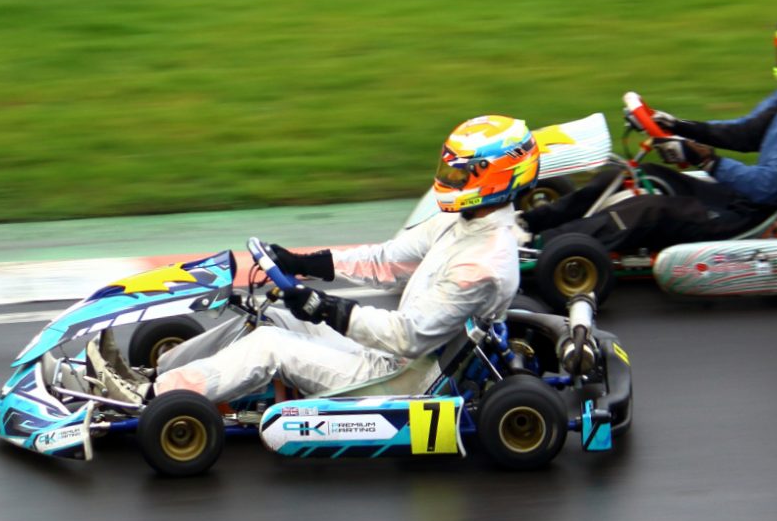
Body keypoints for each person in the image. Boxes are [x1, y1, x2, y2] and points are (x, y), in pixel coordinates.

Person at [144, 115, 538, 406]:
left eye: (460, 174)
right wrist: (301, 262)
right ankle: (161, 372)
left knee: (270, 345)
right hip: (389, 357)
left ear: (495, 177)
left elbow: (408, 335)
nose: (449, 181)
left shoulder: (484, 265)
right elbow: (385, 261)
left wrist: (326, 307)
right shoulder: (462, 225)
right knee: (275, 316)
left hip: (402, 381)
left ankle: (155, 397)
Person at [523, 0, 777, 251]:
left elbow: (767, 186)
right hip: (739, 197)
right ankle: (529, 223)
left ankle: (546, 249)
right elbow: (747, 133)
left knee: (650, 210)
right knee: (631, 177)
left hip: (761, 221)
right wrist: (679, 126)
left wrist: (705, 159)